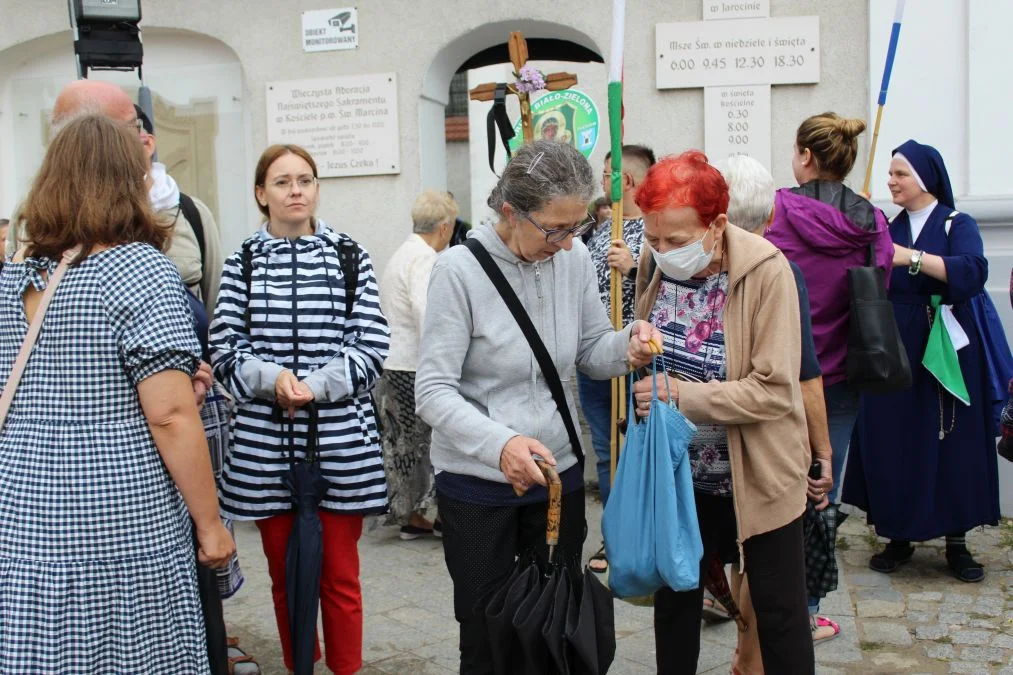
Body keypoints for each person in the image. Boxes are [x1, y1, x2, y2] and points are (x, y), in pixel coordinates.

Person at [414, 140, 662, 674]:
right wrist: (498, 444)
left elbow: (594, 350)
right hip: (480, 488)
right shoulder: (458, 271)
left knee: (554, 629)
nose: (570, 243)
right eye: (555, 229)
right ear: (510, 211)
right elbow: (432, 390)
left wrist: (629, 346)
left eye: (576, 228)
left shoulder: (569, 261)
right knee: (487, 637)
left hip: (557, 478)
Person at [0, 114, 234, 673]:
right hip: (119, 506)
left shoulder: (15, 275)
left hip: (23, 500)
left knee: (45, 643)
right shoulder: (138, 270)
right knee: (129, 650)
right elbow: (171, 417)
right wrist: (210, 525)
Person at [631, 150, 814, 674]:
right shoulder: (657, 265)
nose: (663, 251)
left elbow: (775, 391)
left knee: (780, 617)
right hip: (682, 478)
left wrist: (682, 395)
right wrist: (638, 346)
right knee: (675, 604)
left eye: (677, 241)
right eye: (655, 239)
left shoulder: (766, 271)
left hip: (757, 476)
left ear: (716, 225)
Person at [210, 143, 390, 675]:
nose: (296, 190)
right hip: (267, 446)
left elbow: (372, 345)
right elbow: (223, 348)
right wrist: (273, 381)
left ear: (316, 188)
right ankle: (299, 666)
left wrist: (314, 384)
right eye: (283, 181)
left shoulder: (349, 254)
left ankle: (346, 668)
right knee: (285, 574)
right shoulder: (242, 259)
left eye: (305, 180)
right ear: (262, 194)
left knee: (339, 574)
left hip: (339, 442)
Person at [844, 140, 1000, 583]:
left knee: (950, 436)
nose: (890, 181)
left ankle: (957, 540)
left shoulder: (956, 223)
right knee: (895, 435)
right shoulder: (885, 225)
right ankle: (898, 534)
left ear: (926, 178)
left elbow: (971, 272)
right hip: (893, 343)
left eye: (900, 174)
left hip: (943, 342)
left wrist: (908, 258)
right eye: (890, 173)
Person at [764, 112, 894, 635]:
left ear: (804, 157)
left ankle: (758, 598)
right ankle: (808, 607)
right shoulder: (870, 222)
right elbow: (877, 282)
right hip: (838, 374)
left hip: (777, 371)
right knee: (823, 486)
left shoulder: (776, 210)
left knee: (765, 484)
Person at [716, 154, 835, 671]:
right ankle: (751, 659)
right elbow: (805, 376)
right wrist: (822, 451)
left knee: (743, 560)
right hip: (763, 448)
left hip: (710, 446)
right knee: (769, 568)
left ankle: (748, 655)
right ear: (769, 218)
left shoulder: (703, 263)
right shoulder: (776, 268)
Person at [48, 80, 223, 311]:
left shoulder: (191, 213)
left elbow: (216, 313)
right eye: (131, 127)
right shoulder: (39, 218)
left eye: (137, 128)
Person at [579, 143, 655, 574]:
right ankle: (613, 537)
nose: (600, 182)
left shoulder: (657, 233)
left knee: (639, 451)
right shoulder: (597, 229)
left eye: (606, 174)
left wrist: (634, 267)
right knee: (607, 453)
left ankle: (644, 535)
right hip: (595, 359)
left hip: (636, 360)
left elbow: (672, 292)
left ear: (624, 181)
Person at [377, 190, 458, 539]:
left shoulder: (402, 253)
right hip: (412, 365)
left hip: (393, 362)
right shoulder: (425, 258)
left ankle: (409, 514)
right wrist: (441, 361)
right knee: (422, 443)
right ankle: (419, 515)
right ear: (443, 227)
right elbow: (427, 312)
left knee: (402, 442)